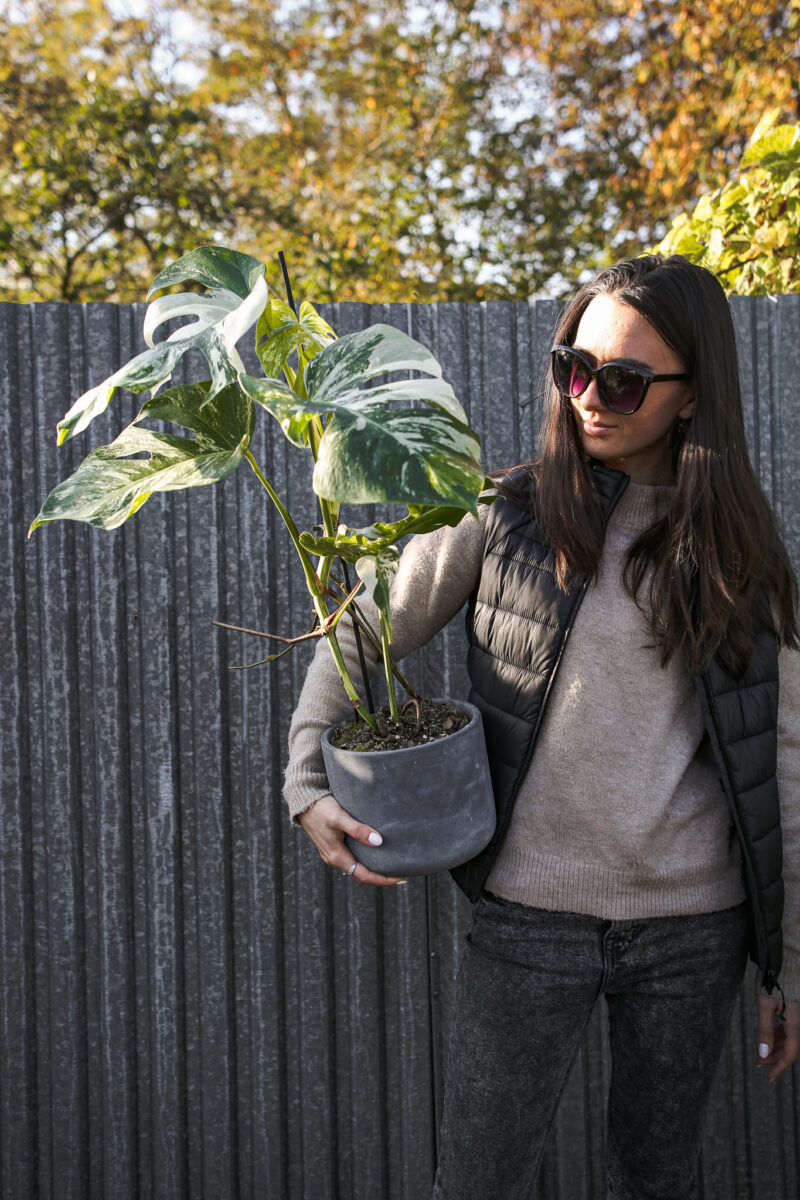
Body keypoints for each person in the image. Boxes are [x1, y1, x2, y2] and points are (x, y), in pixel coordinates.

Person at [283, 254, 800, 1199]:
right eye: (573, 366)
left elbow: (786, 768)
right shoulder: (502, 513)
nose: (587, 397)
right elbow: (364, 625)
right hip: (526, 918)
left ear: (692, 398)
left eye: (623, 380)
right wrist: (306, 781)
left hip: (696, 929)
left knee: (657, 1179)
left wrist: (788, 962)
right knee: (478, 1177)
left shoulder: (744, 558)